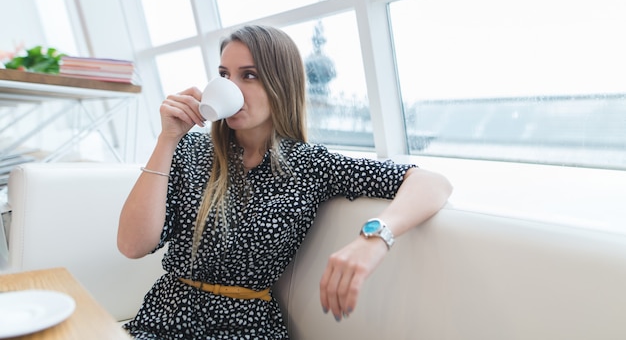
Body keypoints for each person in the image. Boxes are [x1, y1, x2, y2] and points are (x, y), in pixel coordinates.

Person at [117, 24, 452, 339]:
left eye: (248, 75)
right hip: (162, 319)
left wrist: (374, 238)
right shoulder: (190, 149)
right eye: (224, 75)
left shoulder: (309, 165)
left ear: (280, 84)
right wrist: (167, 140)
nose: (230, 86)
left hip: (244, 327)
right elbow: (133, 245)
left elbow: (431, 182)